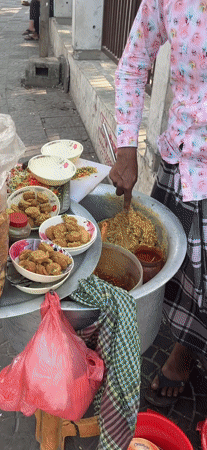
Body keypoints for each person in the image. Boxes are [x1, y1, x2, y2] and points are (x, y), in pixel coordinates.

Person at [110, 0, 207, 406]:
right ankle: (185, 346)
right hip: (188, 156)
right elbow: (133, 63)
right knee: (182, 272)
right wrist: (127, 146)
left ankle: (186, 353)